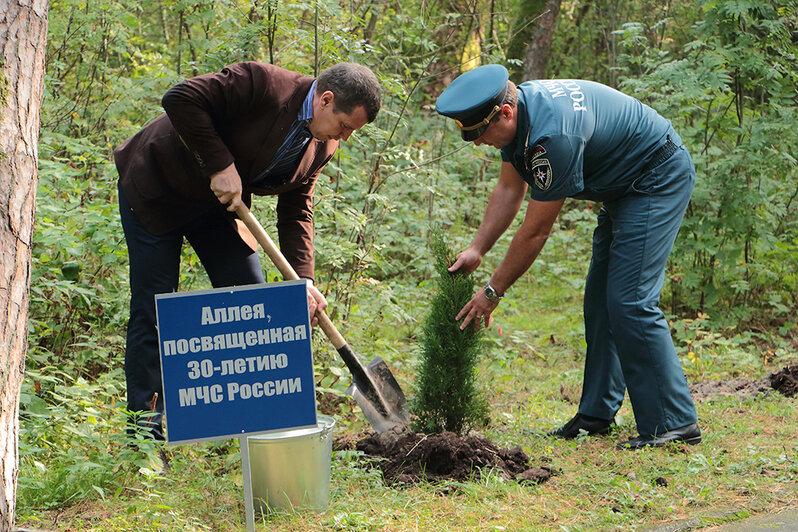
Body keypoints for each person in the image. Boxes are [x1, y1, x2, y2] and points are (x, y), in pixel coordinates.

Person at [435, 64, 700, 450]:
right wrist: (478, 248)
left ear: (504, 113)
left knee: (630, 300)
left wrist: (492, 292)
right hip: (623, 189)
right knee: (600, 302)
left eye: (479, 134)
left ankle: (673, 422)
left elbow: (537, 230)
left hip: (656, 178)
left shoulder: (551, 136)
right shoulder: (519, 109)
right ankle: (596, 414)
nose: (477, 143)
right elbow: (510, 190)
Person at [115, 61, 381, 439]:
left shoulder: (323, 145)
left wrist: (303, 280)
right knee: (153, 309)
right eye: (345, 126)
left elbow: (297, 211)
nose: (346, 137)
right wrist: (220, 164)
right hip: (157, 189)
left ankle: (253, 430)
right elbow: (179, 98)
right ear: (326, 100)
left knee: (254, 302)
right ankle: (145, 437)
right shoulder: (263, 84)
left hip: (215, 209)